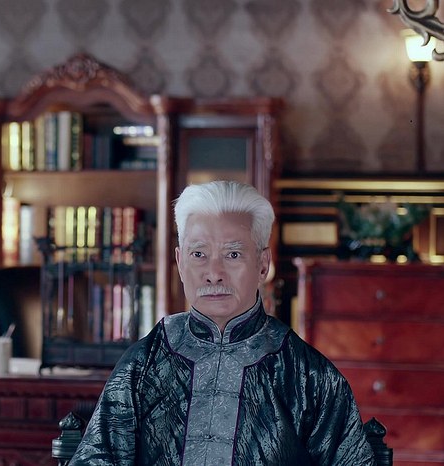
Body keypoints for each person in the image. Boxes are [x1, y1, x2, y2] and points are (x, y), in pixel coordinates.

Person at [70, 180, 374, 465]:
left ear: (263, 264)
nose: (213, 273)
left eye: (233, 254)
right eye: (198, 254)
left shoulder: (308, 376)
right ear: (180, 262)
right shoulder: (143, 364)